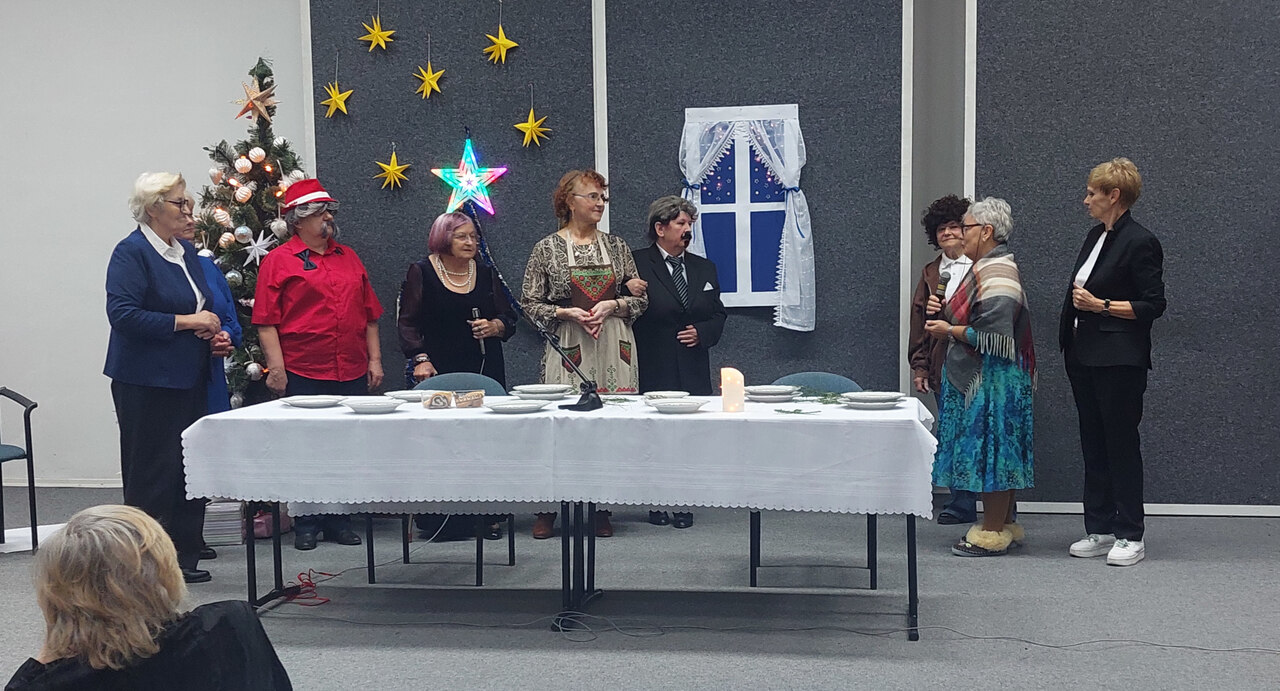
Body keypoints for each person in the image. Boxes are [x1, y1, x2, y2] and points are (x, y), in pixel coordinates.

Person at [6, 505, 292, 690]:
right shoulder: (227, 626)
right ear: (165, 572)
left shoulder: (44, 683)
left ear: (54, 595)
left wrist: (56, 637)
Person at [105, 172, 231, 584]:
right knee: (152, 472)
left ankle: (182, 556)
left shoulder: (185, 251)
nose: (188, 210)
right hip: (146, 381)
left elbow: (202, 306)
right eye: (179, 203)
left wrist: (214, 335)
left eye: (188, 202)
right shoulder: (132, 252)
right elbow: (123, 315)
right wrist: (188, 322)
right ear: (154, 207)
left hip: (190, 375)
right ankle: (144, 566)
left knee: (186, 467)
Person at [253, 178, 384, 551]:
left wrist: (375, 360)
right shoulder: (278, 262)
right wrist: (277, 369)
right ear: (299, 220)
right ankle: (307, 522)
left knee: (344, 446)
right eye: (321, 212)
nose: (329, 218)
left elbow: (370, 315)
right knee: (305, 447)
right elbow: (266, 322)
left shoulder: (348, 257)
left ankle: (339, 520)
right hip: (304, 370)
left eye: (330, 212)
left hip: (351, 369)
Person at [520, 169, 648, 539]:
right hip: (569, 343)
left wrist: (613, 305)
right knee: (560, 425)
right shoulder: (546, 249)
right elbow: (528, 304)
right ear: (568, 201)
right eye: (592, 196)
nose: (600, 203)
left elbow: (641, 301)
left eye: (602, 197)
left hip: (613, 345)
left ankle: (600, 507)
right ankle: (548, 508)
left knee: (608, 427)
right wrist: (564, 312)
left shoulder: (618, 247)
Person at [1060, 158, 1165, 567]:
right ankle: (1100, 527)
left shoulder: (1140, 241)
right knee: (1094, 442)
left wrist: (1101, 305)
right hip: (1083, 354)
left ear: (1114, 195)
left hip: (1119, 359)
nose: (1085, 200)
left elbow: (1153, 304)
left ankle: (1130, 533)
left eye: (1092, 193)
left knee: (1120, 443)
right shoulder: (1095, 236)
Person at [924, 197, 1035, 557]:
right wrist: (945, 311)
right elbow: (975, 316)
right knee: (995, 454)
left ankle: (991, 531)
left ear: (986, 231)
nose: (961, 233)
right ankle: (1001, 525)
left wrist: (949, 331)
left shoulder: (998, 272)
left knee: (994, 454)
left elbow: (994, 335)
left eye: (966, 227)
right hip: (989, 380)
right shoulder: (984, 268)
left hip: (994, 382)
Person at [398, 211, 518, 542]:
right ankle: (442, 519)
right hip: (439, 370)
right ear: (443, 238)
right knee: (443, 443)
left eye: (474, 237)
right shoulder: (422, 271)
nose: (470, 242)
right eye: (462, 236)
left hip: (483, 368)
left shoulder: (485, 272)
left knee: (483, 441)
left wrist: (495, 326)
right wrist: (420, 358)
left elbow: (509, 317)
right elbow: (407, 322)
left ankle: (486, 515)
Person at [630, 195, 727, 530]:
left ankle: (685, 500)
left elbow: (718, 314)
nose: (688, 230)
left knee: (689, 437)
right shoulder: (636, 264)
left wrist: (703, 332)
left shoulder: (704, 267)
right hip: (654, 364)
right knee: (655, 437)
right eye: (681, 223)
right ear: (660, 228)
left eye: (690, 224)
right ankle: (656, 500)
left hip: (693, 366)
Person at [908, 195, 978, 525]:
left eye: (954, 226)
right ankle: (961, 502)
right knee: (953, 432)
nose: (948, 233)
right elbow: (919, 323)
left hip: (979, 363)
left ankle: (1001, 508)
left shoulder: (982, 267)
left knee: (984, 432)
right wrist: (920, 366)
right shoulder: (931, 273)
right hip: (943, 363)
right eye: (941, 229)